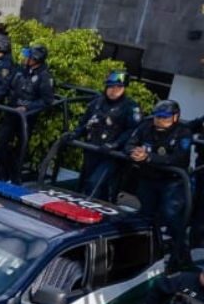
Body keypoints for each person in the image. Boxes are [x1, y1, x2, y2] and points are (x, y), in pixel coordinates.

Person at [126, 100, 193, 270]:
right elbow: (130, 143)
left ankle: (182, 258)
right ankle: (144, 253)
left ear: (175, 117)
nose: (159, 120)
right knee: (146, 216)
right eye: (157, 116)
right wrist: (133, 152)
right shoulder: (146, 126)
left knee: (172, 218)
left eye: (164, 117)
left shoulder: (183, 133)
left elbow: (180, 159)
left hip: (171, 183)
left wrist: (149, 157)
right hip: (148, 180)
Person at [74, 70, 141, 200]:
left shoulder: (130, 107)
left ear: (124, 88)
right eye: (111, 86)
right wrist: (75, 134)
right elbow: (86, 122)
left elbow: (133, 131)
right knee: (85, 184)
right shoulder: (97, 102)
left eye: (118, 87)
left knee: (96, 184)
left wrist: (115, 144)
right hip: (92, 149)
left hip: (111, 155)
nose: (113, 90)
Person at [0, 43, 56, 182]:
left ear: (35, 59)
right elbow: (6, 84)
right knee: (2, 141)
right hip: (11, 112)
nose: (24, 58)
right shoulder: (21, 69)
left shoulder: (44, 76)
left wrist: (28, 107)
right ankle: (2, 174)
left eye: (27, 56)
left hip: (26, 118)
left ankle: (14, 178)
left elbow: (47, 101)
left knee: (20, 149)